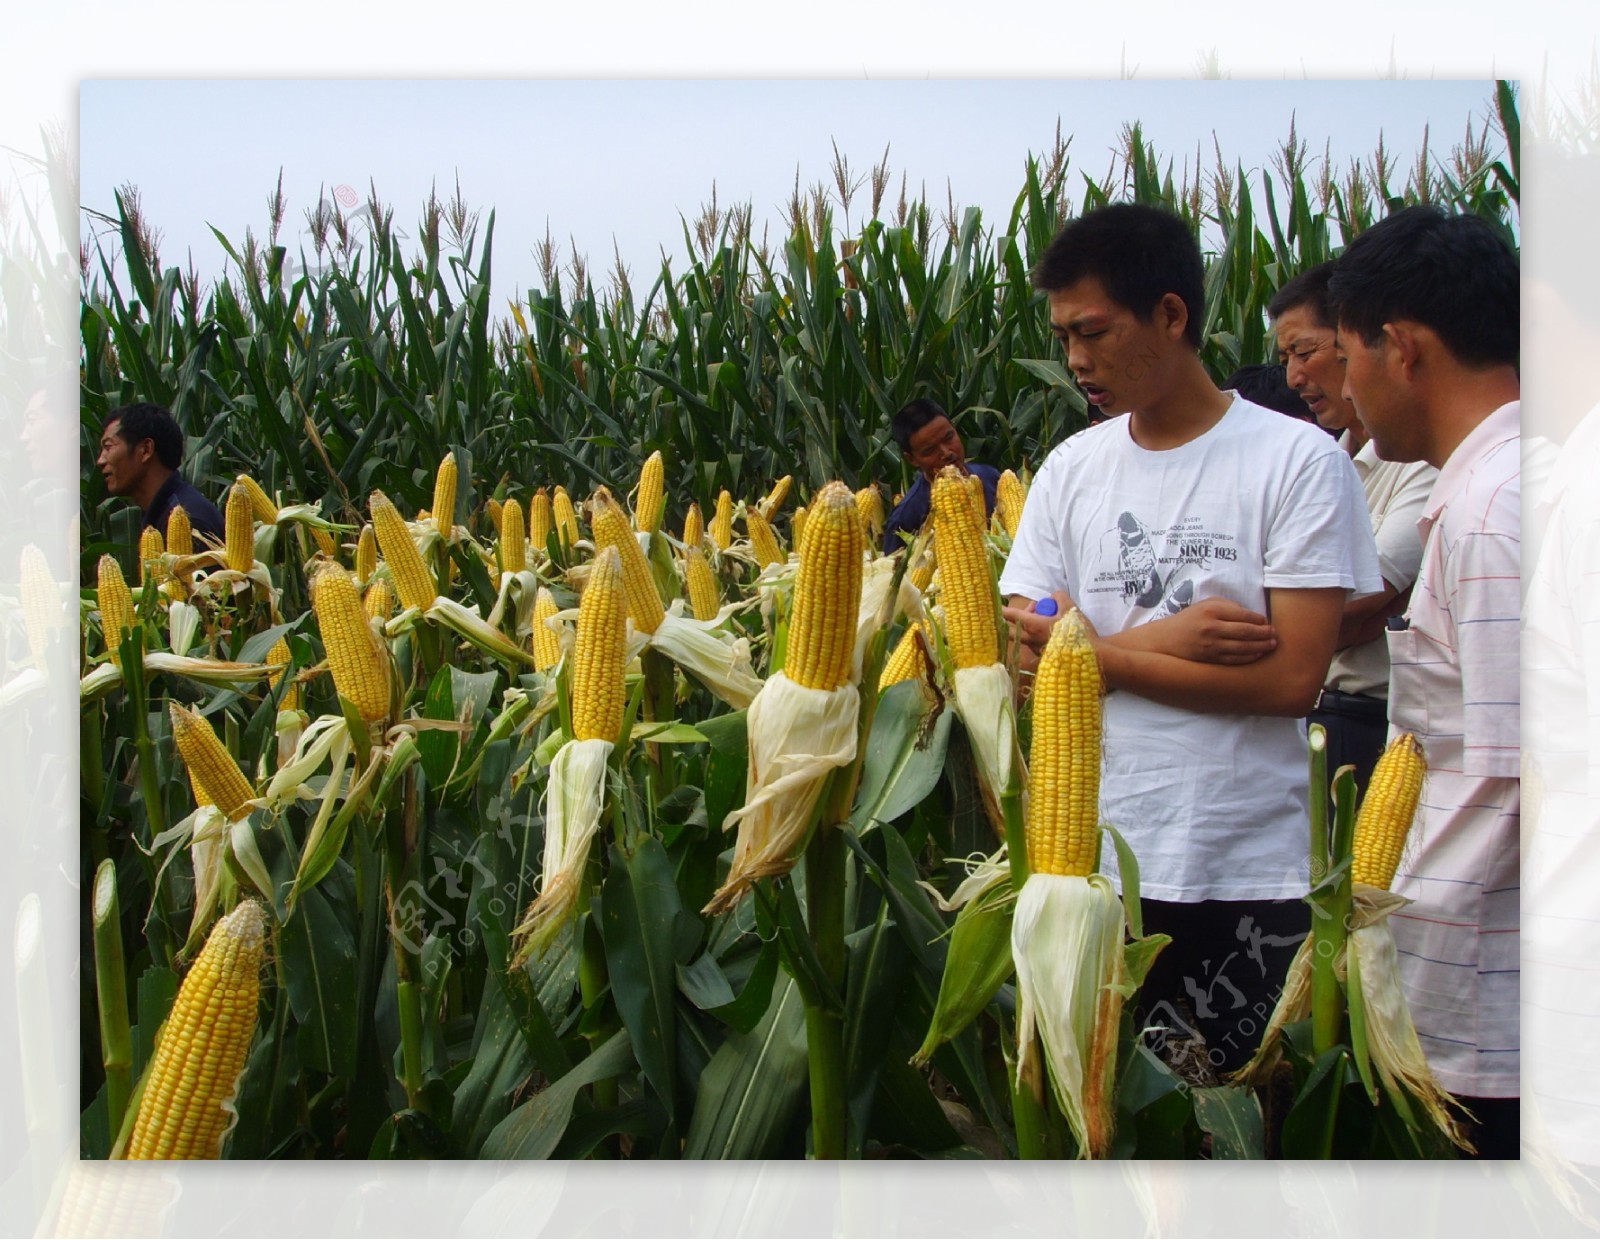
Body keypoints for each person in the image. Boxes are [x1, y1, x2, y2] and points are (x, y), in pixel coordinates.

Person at [998, 203, 1382, 1072]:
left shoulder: (1295, 463)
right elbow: (1031, 649)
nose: (1075, 361)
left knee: (1247, 1134)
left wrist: (1102, 655)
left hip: (1250, 867)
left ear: (1171, 315)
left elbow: (1291, 680)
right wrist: (1171, 637)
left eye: (1092, 331)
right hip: (1093, 869)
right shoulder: (1070, 471)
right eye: (1062, 337)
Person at [1328, 204, 1520, 1158]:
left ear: (1401, 348)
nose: (1344, 388)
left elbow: (1539, 780)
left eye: (1346, 354)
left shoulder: (1496, 512)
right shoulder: (1496, 493)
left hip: (1498, 1014)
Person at [1269, 262, 1437, 798]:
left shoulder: (1424, 464)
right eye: (1285, 359)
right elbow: (1343, 609)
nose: (1294, 377)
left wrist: (1314, 615)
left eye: (1304, 351)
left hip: (1375, 724)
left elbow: (1363, 599)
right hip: (1314, 717)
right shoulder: (1322, 465)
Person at [881, 399, 1000, 553]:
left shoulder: (991, 477)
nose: (947, 453)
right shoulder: (907, 517)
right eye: (930, 450)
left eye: (949, 438)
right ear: (912, 459)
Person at [96, 402, 225, 542]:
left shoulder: (189, 523)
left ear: (146, 450)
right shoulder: (161, 515)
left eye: (108, 447)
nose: (100, 461)